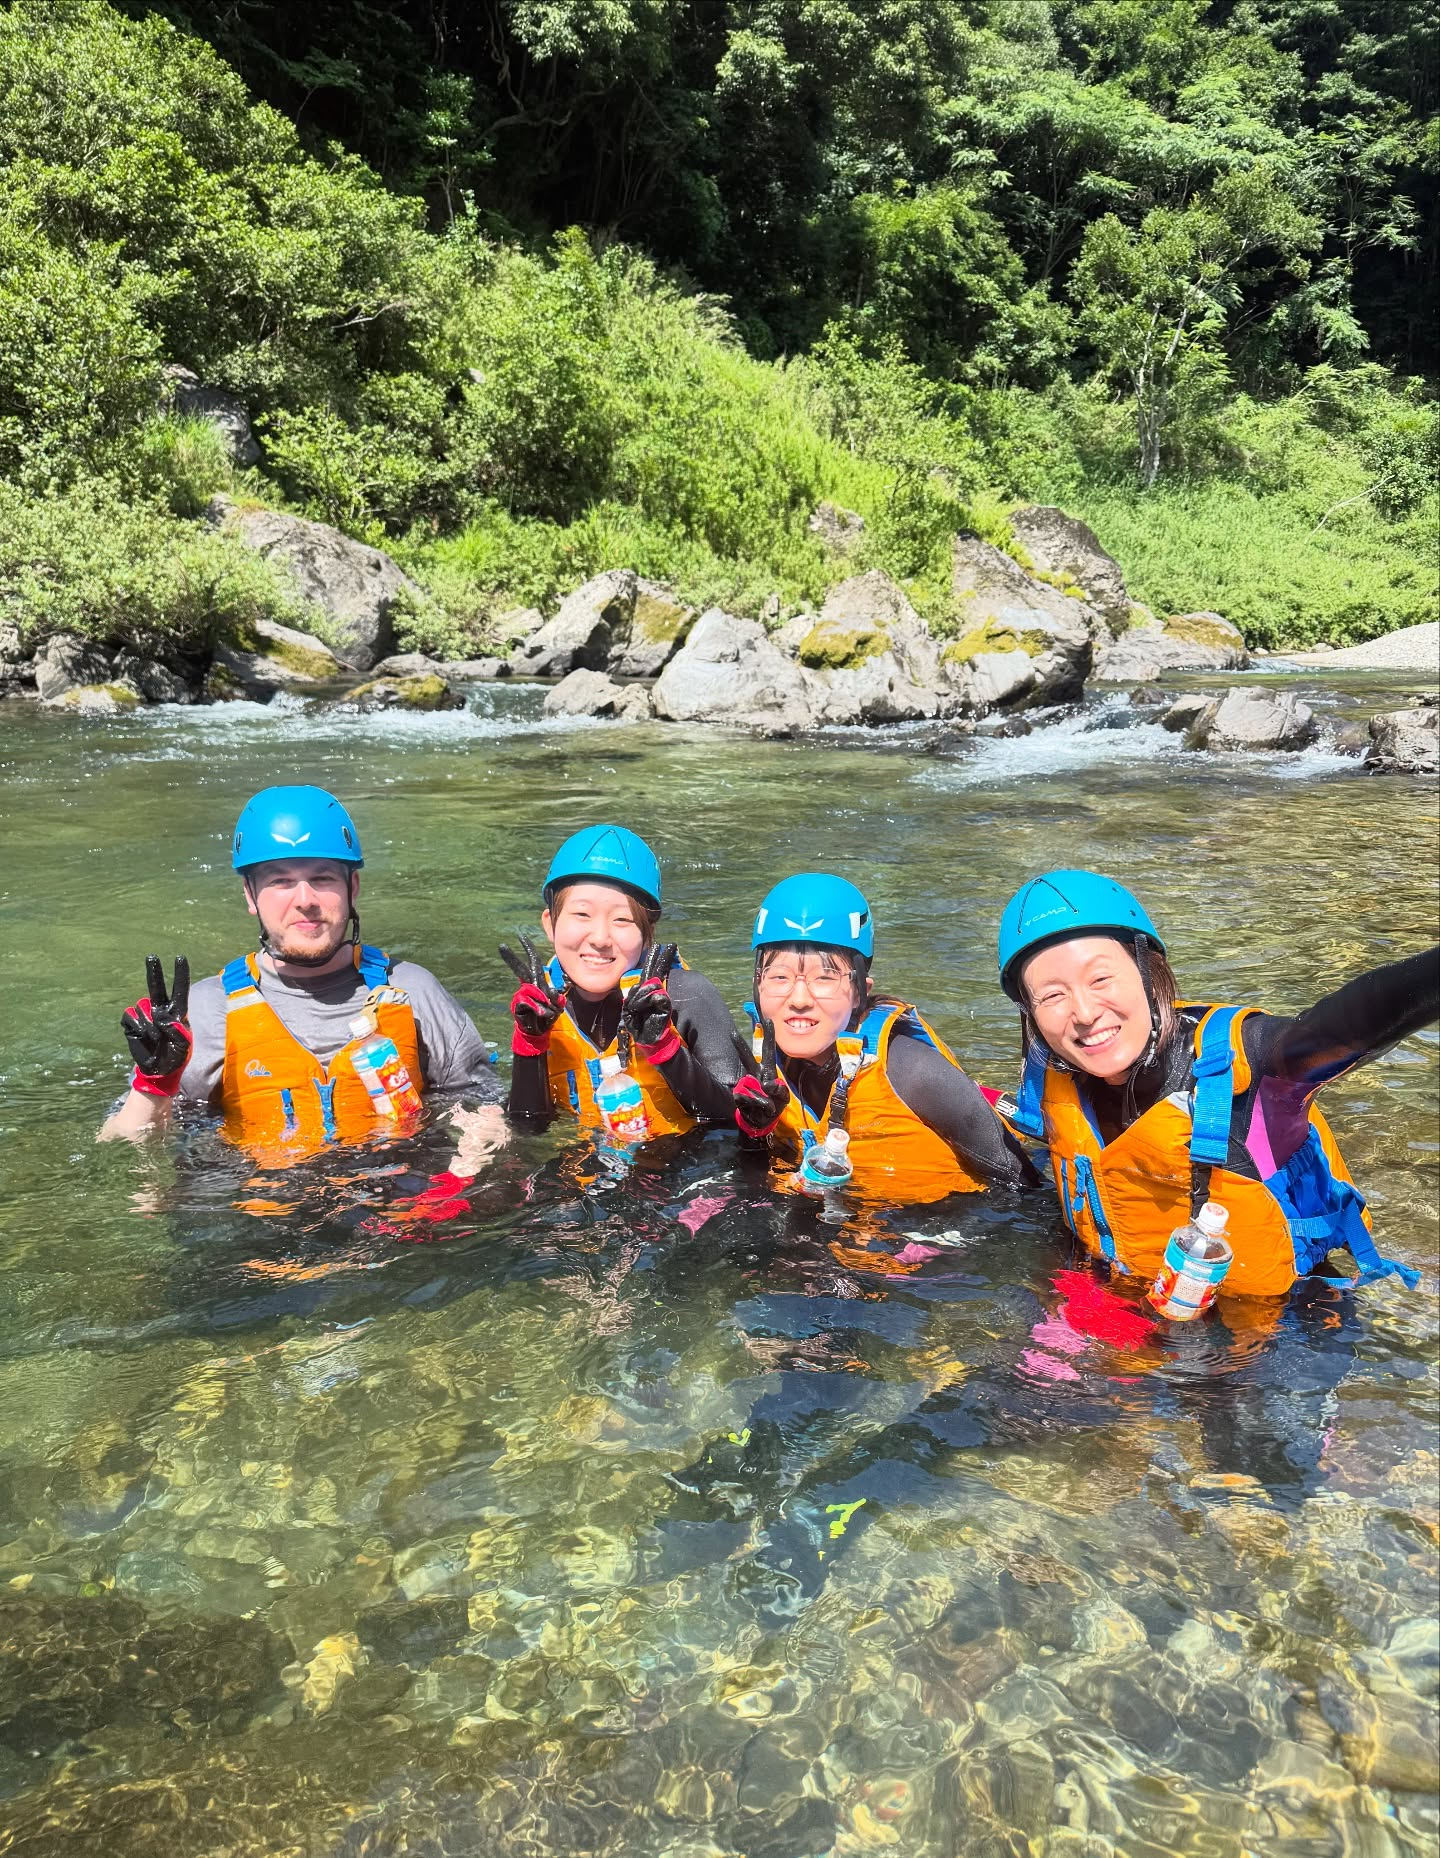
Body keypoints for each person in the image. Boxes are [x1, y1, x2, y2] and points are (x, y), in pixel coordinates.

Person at [996, 867, 1438, 1295]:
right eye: (1052, 995)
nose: (1086, 1014)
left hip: (1282, 1331)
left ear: (1149, 973)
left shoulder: (1256, 1065)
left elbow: (1356, 1019)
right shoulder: (1053, 1078)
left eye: (1101, 978)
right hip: (1137, 1300)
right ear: (1030, 1012)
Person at [101, 785, 501, 1155]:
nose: (305, 900)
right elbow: (124, 1148)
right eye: (281, 881)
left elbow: (488, 1111)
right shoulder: (204, 1010)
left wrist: (462, 1174)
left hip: (391, 1206)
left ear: (353, 888)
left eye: (322, 878)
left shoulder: (414, 989)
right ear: (250, 895)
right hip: (256, 1211)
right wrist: (154, 1084)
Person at [731, 873, 1035, 1202]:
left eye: (824, 977)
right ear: (758, 985)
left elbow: (1027, 1188)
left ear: (861, 991)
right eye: (779, 976)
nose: (799, 998)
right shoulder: (765, 1066)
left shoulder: (912, 1071)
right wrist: (754, 1132)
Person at [503, 824, 747, 1133]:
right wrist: (530, 1044)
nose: (601, 938)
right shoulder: (539, 1004)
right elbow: (530, 1131)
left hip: (679, 1166)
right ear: (550, 924)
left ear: (647, 935)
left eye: (622, 919)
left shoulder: (688, 995)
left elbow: (736, 1124)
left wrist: (664, 1049)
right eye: (582, 915)